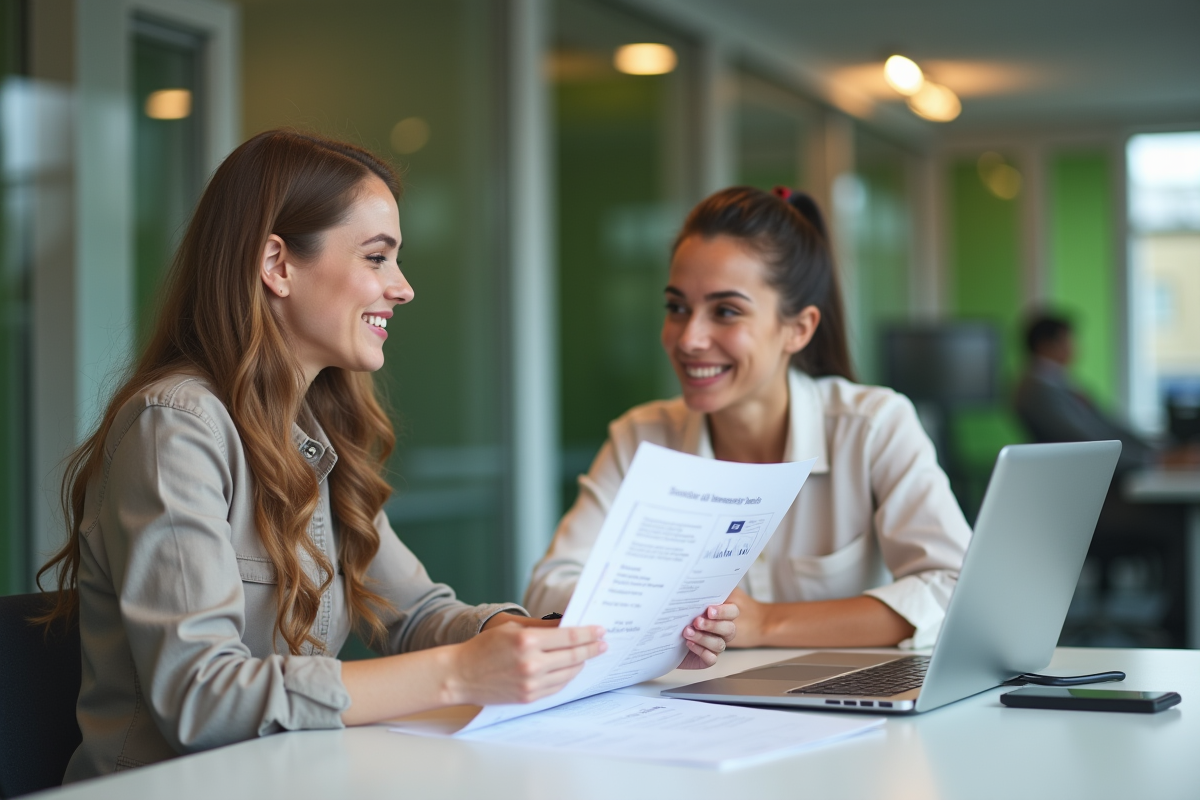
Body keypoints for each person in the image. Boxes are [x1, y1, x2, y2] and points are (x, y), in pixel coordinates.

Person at [36, 130, 736, 782]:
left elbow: (417, 611)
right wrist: (461, 673)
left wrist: (534, 639)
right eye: (376, 257)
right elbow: (201, 698)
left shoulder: (310, 432)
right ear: (277, 263)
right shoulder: (175, 427)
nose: (401, 287)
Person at [526, 186, 971, 651]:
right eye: (677, 307)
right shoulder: (641, 436)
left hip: (847, 708)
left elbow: (954, 586)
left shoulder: (873, 427)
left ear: (798, 329)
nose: (689, 339)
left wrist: (767, 624)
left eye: (726, 311)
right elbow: (549, 587)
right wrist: (650, 603)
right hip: (685, 707)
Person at [1014, 314, 1155, 474]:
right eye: (1066, 341)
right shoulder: (1037, 390)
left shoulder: (1057, 381)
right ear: (1045, 345)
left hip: (1103, 470)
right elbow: (1081, 440)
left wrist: (1155, 453)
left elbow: (1108, 426)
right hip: (1081, 477)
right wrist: (1152, 460)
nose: (1074, 347)